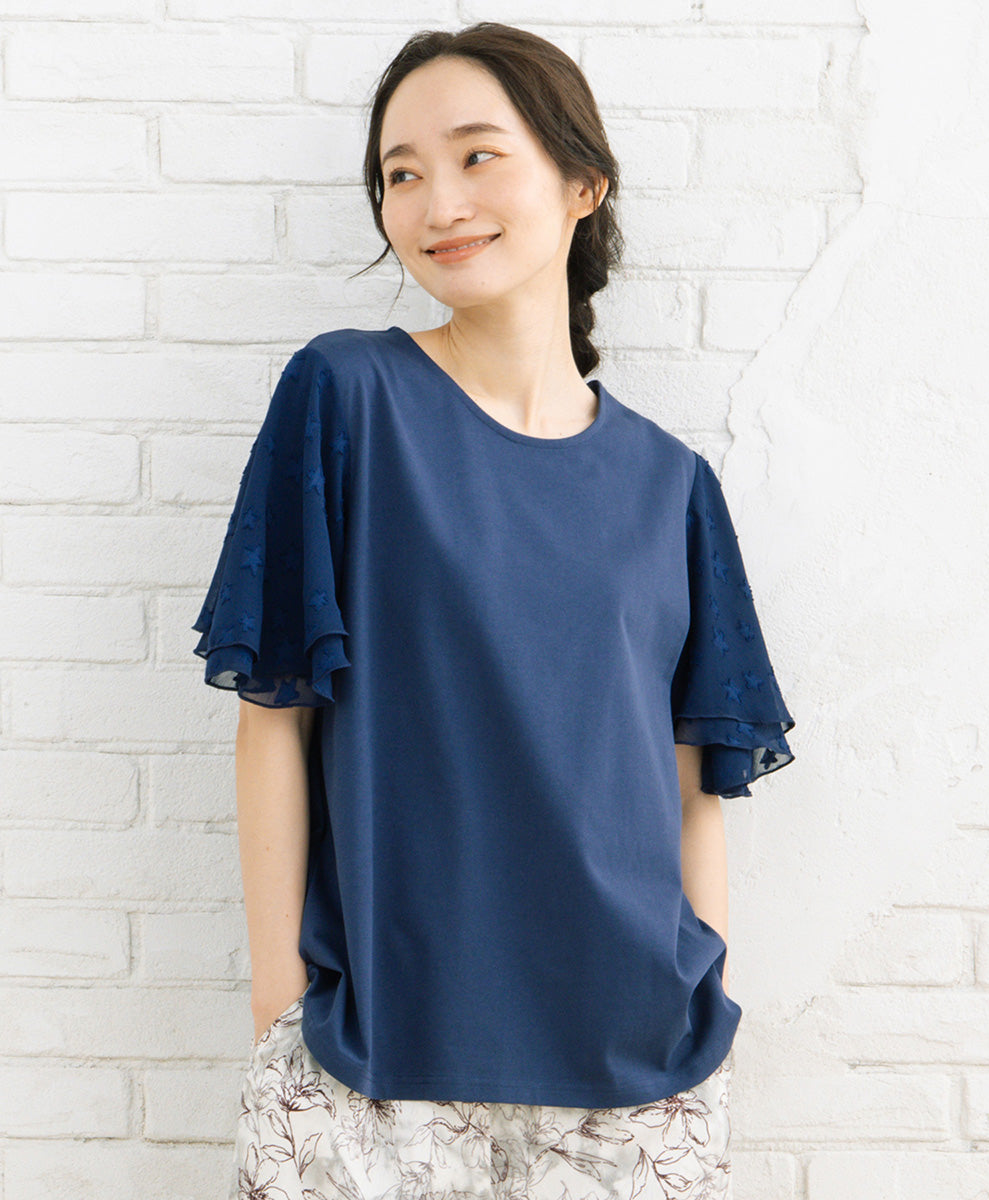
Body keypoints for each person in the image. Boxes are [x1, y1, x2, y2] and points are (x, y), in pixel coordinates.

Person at [192, 21, 795, 1200]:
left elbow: (692, 787)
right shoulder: (346, 396)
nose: (437, 203)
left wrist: (703, 1013)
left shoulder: (671, 485)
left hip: (637, 1074)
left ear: (581, 182)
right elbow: (273, 715)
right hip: (372, 1061)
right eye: (401, 173)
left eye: (476, 156)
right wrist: (280, 1013)